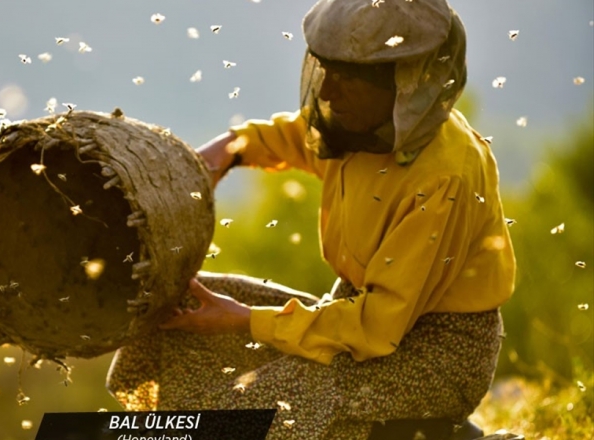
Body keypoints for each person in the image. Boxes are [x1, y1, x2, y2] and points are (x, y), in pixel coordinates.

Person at [106, 0, 516, 439]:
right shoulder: (363, 124)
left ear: (405, 83)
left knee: (280, 397)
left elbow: (376, 327)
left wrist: (244, 320)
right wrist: (229, 150)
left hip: (436, 355)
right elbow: (295, 136)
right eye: (326, 72)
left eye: (347, 80)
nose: (326, 94)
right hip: (359, 322)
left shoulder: (444, 176)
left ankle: (430, 431)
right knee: (186, 307)